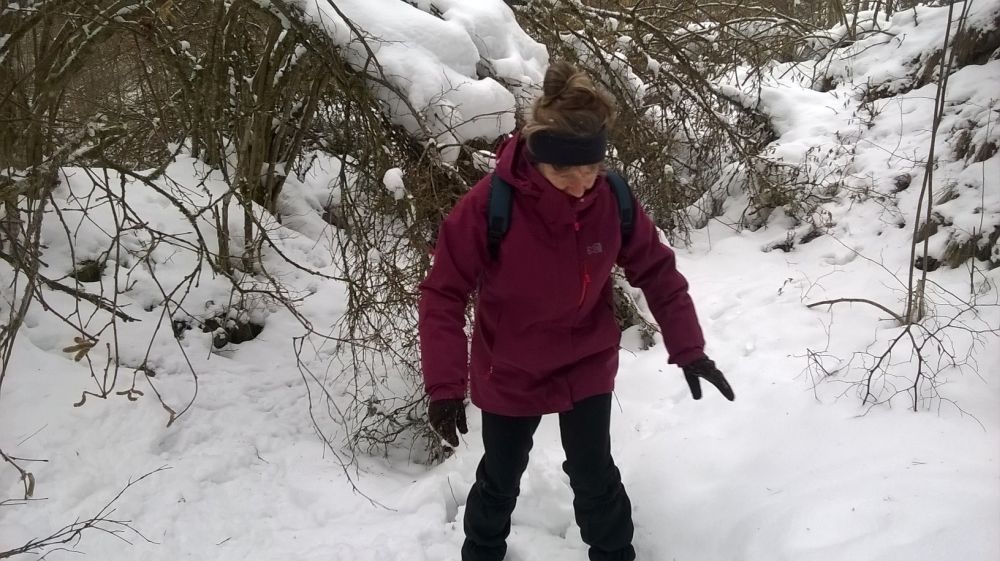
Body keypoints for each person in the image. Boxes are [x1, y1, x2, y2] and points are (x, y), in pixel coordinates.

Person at [417, 61, 735, 561]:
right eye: (564, 173)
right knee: (500, 477)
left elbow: (657, 272)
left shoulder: (612, 198)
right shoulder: (489, 206)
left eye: (590, 170)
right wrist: (444, 386)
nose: (581, 185)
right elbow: (443, 293)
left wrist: (689, 348)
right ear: (536, 158)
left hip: (585, 360)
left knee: (594, 475)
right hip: (510, 367)